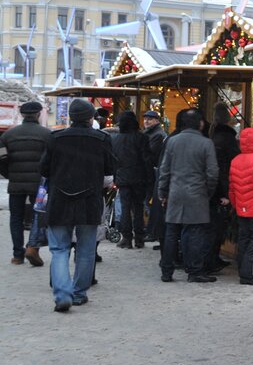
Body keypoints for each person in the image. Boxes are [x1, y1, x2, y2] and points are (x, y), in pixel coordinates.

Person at [40, 98, 114, 311]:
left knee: (59, 248)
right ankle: (79, 294)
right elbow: (109, 170)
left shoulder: (55, 138)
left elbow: (44, 169)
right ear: (91, 118)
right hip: (90, 200)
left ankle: (63, 293)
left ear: (70, 117)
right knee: (86, 249)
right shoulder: (102, 139)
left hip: (59, 199)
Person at [158, 108, 219, 283]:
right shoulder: (206, 143)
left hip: (175, 192)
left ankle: (166, 271)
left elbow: (165, 170)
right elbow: (213, 172)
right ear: (200, 124)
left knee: (171, 232)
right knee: (196, 233)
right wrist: (208, 192)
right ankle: (195, 271)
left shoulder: (172, 141)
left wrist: (163, 192)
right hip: (197, 193)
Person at [0, 101, 51, 266]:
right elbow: (52, 160)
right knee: (38, 214)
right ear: (38, 114)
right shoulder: (47, 135)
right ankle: (32, 246)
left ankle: (17, 254)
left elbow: (1, 159)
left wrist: (10, 174)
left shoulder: (7, 136)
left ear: (22, 115)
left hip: (16, 184)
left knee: (15, 217)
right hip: (39, 184)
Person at [110, 111, 154, 249]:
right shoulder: (142, 137)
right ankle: (139, 238)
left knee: (125, 208)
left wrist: (115, 177)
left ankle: (127, 238)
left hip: (122, 178)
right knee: (138, 208)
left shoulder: (115, 139)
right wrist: (150, 179)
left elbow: (113, 161)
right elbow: (147, 160)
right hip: (139, 177)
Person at [206, 102, 240, 274]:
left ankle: (211, 258)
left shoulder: (213, 136)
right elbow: (226, 167)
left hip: (215, 187)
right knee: (217, 226)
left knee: (213, 226)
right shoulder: (227, 139)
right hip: (222, 187)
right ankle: (211, 259)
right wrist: (225, 192)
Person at [229, 127, 253, 285]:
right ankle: (249, 273)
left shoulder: (235, 160)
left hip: (241, 208)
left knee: (244, 239)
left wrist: (236, 206)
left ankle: (242, 269)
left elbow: (232, 188)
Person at [142, 110, 167, 246]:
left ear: (157, 121)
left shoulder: (157, 135)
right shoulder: (150, 133)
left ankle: (154, 232)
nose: (146, 121)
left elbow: (150, 155)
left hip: (153, 174)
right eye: (145, 119)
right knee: (149, 203)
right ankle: (153, 231)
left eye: (149, 119)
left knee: (151, 203)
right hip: (149, 174)